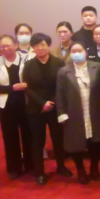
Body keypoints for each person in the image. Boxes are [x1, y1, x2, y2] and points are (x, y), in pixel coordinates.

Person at [22, 33, 71, 185]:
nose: (40, 48)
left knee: (58, 138)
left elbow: (62, 85)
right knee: (38, 140)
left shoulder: (59, 63)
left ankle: (61, 167)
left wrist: (52, 102)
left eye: (43, 44)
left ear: (49, 45)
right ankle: (40, 172)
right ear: (32, 48)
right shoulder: (28, 65)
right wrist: (42, 103)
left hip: (55, 107)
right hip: (35, 108)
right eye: (36, 45)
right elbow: (27, 87)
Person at [56, 41, 100, 184]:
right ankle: (80, 170)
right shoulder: (63, 71)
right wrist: (61, 112)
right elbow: (59, 94)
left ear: (86, 52)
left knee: (95, 141)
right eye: (73, 51)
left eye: (80, 50)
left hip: (94, 110)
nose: (77, 54)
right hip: (74, 111)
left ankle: (94, 168)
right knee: (76, 142)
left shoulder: (96, 67)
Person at [0, 34, 33, 179]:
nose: (5, 48)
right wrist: (11, 88)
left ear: (16, 45)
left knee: (29, 135)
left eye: (8, 45)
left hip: (26, 103)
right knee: (9, 137)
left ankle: (31, 166)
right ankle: (14, 168)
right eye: (2, 46)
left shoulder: (27, 59)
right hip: (6, 105)